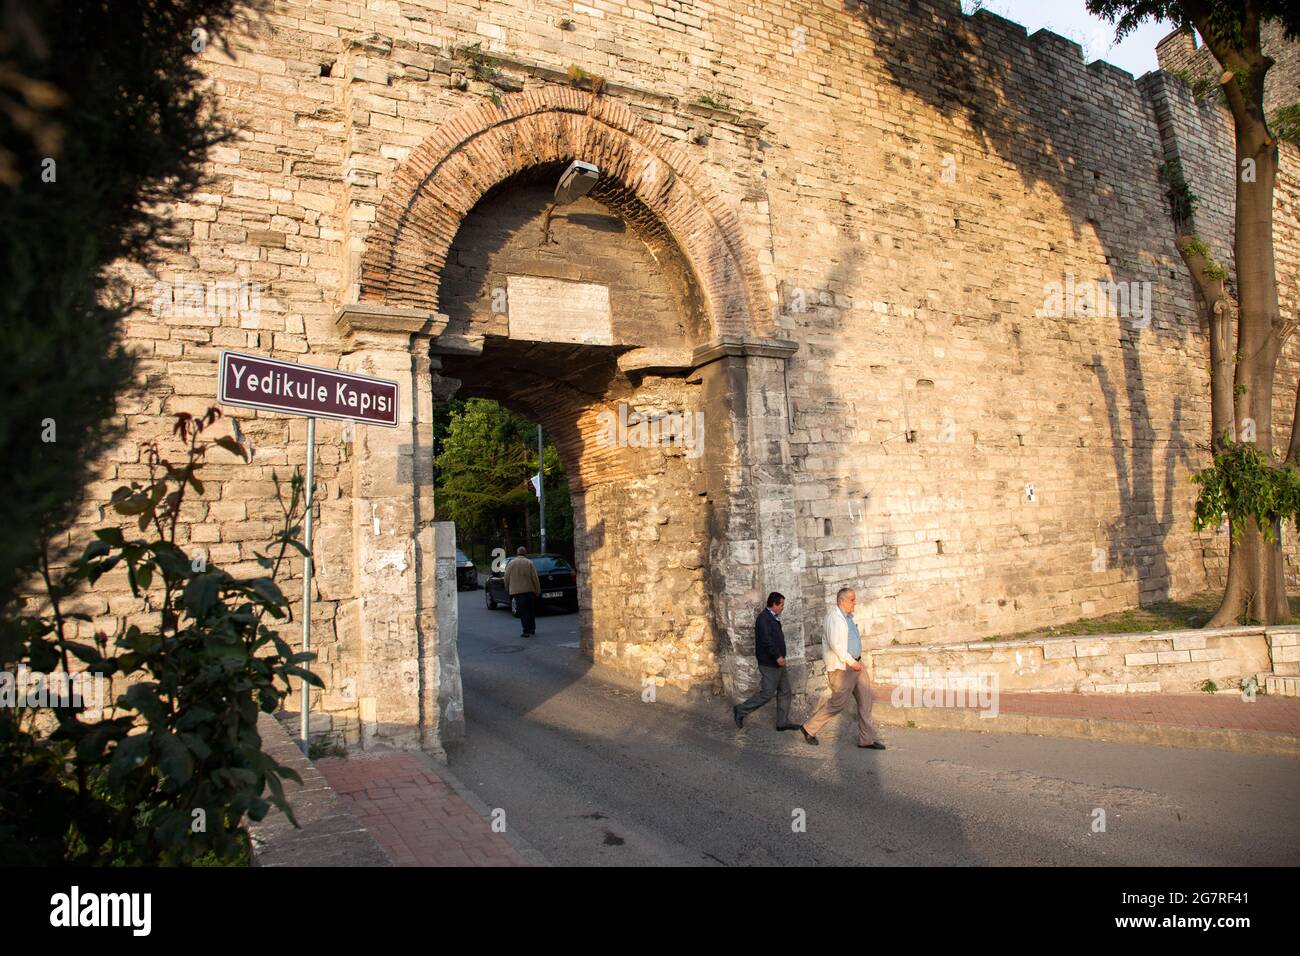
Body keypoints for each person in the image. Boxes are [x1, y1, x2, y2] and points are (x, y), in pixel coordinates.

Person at [800, 587, 885, 750]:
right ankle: (809, 728)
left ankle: (866, 740)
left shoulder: (848, 617)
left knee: (866, 701)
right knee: (837, 704)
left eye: (854, 599)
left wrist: (856, 662)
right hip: (843, 668)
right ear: (842, 601)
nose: (855, 602)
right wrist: (851, 662)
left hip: (857, 665)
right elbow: (836, 645)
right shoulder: (834, 618)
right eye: (852, 600)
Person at [733, 592, 800, 731]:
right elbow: (767, 641)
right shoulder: (763, 619)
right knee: (767, 693)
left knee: (785, 691)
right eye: (781, 605)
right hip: (770, 663)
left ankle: (782, 722)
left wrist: (780, 657)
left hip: (779, 662)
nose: (783, 607)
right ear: (774, 604)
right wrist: (777, 656)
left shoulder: (773, 617)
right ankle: (740, 710)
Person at [503, 546, 540, 638]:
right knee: (530, 610)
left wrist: (507, 588)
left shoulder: (511, 563)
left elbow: (506, 578)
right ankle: (532, 628)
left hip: (517, 592)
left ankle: (525, 631)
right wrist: (537, 589)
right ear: (525, 553)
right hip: (529, 591)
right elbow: (535, 577)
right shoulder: (529, 562)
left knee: (523, 612)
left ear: (517, 553)